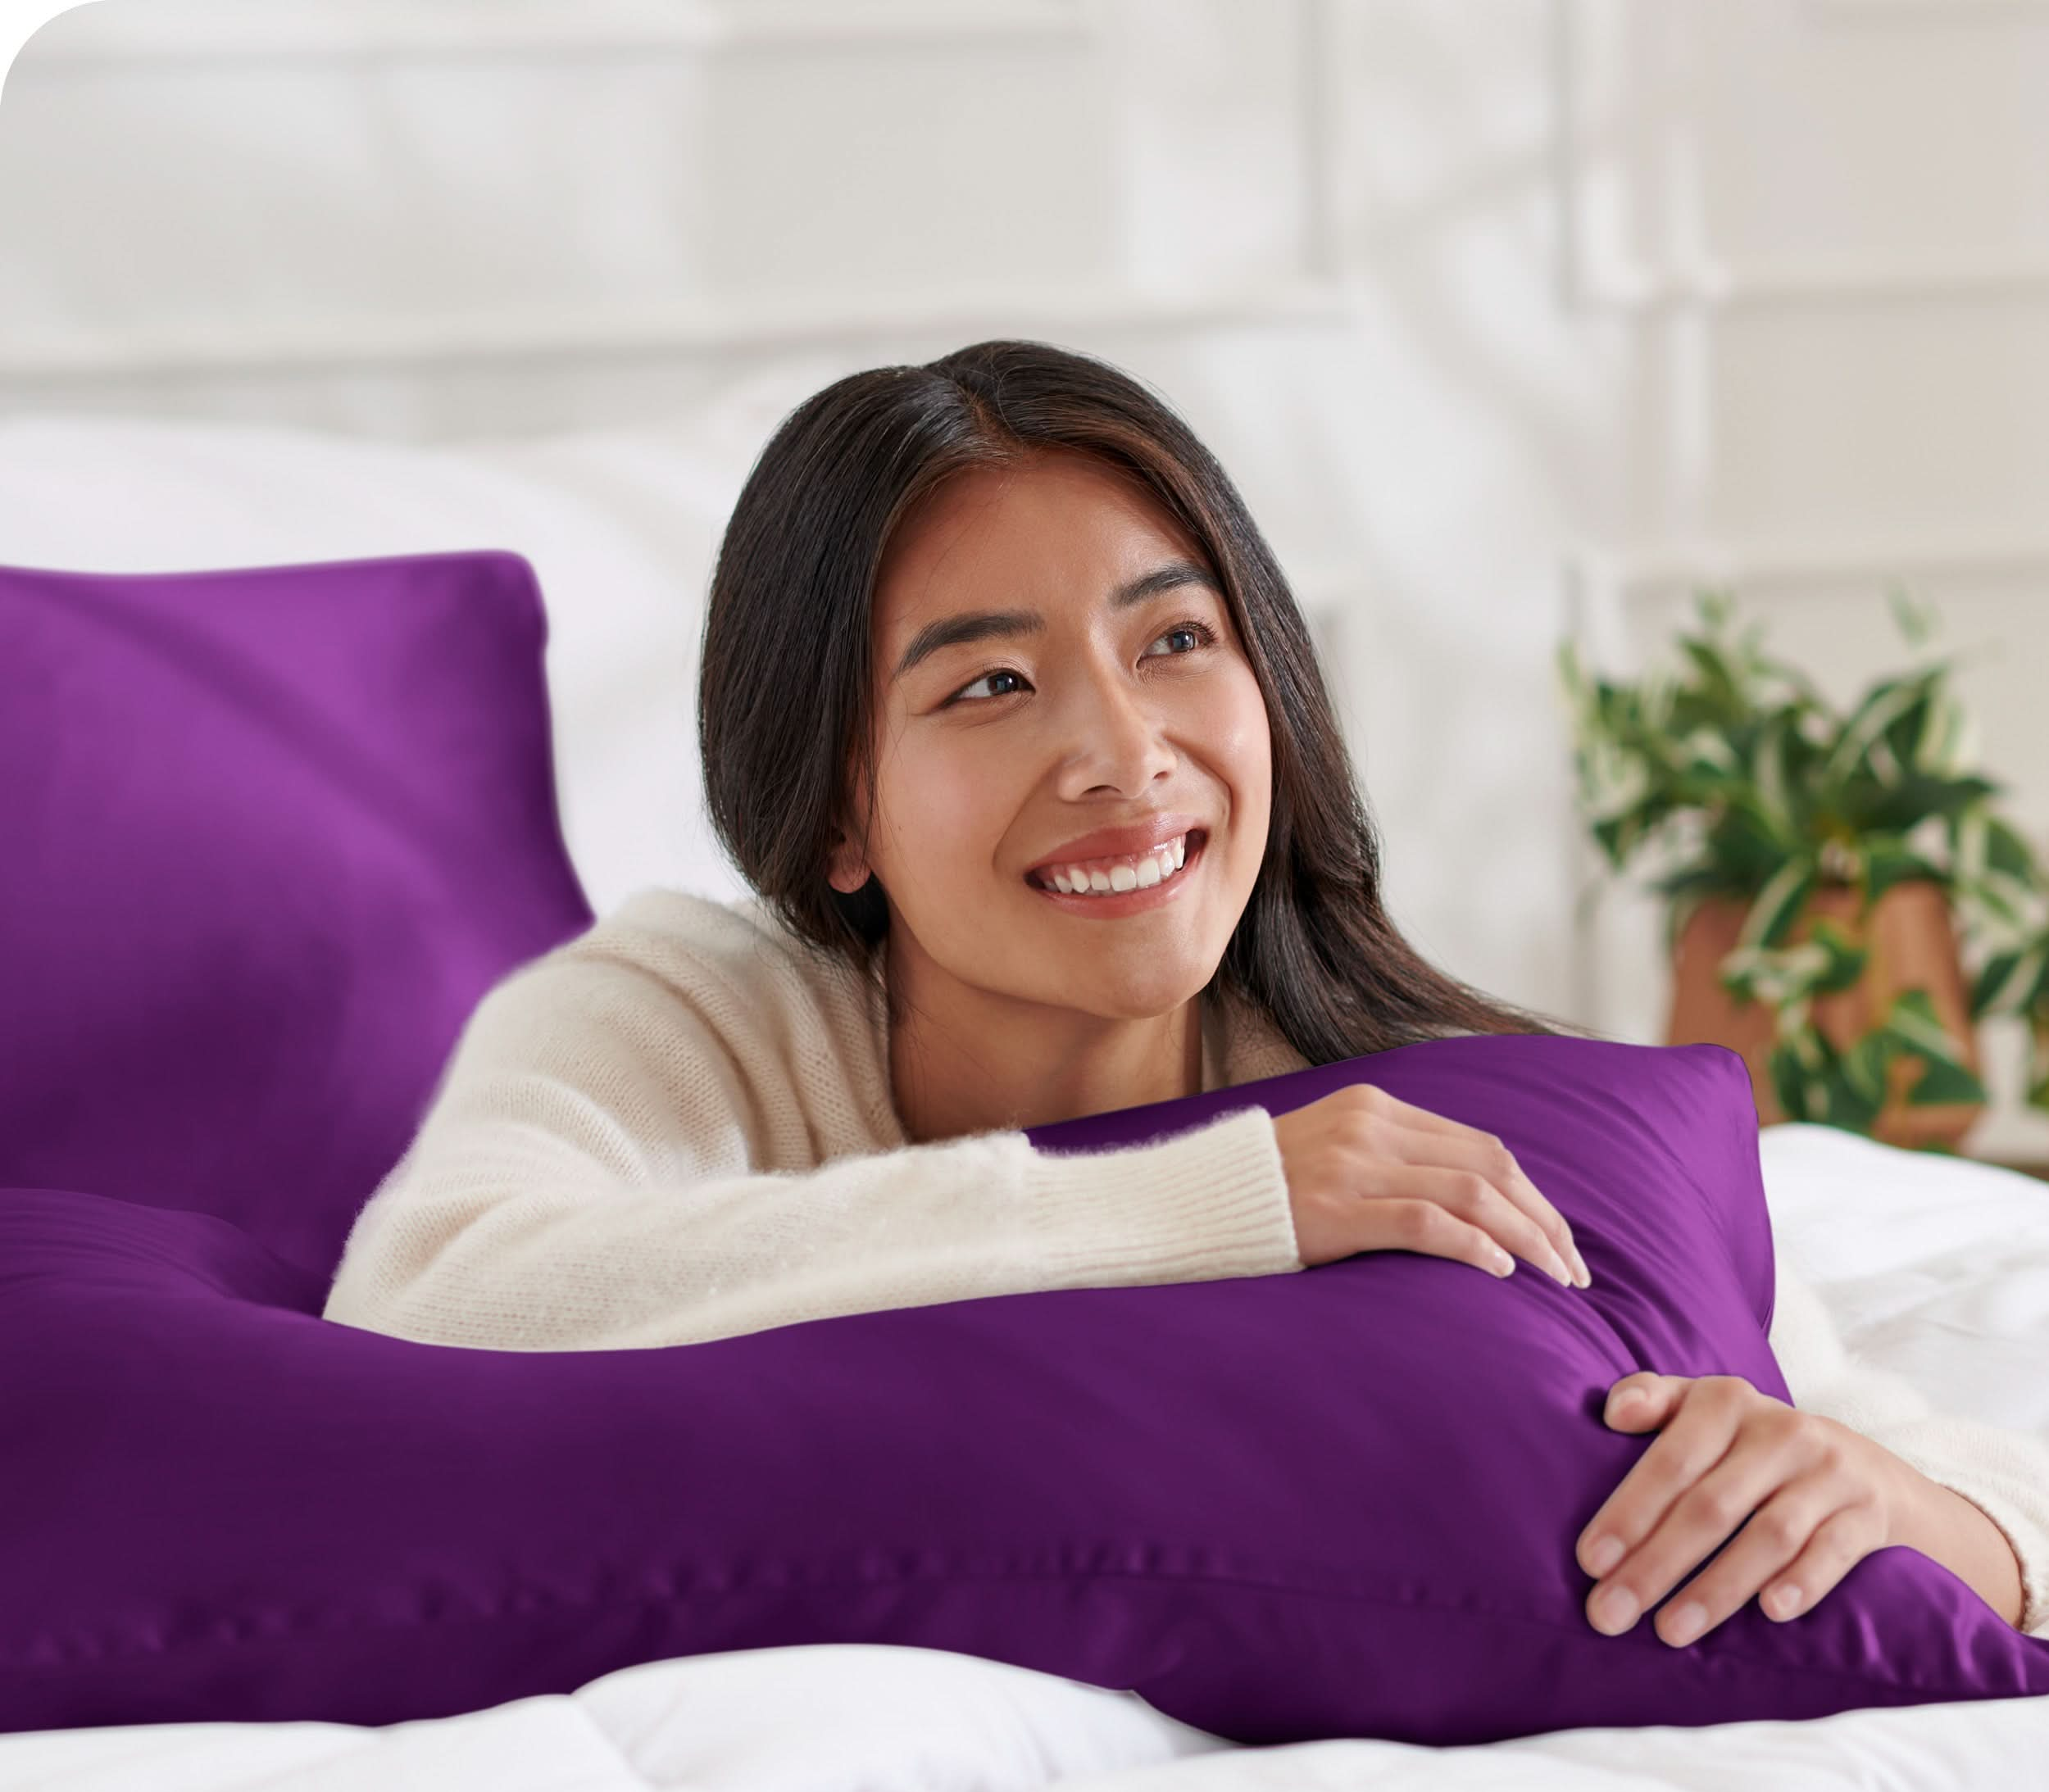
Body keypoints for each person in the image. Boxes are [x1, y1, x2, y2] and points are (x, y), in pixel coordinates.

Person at [321, 338, 2047, 1645]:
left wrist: (1899, 1504)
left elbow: (1948, 1476)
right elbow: (432, 1295)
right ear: (836, 806)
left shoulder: (1429, 1106)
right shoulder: (691, 1010)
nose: (1121, 754)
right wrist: (1211, 1204)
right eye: (989, 683)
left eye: (1172, 642)